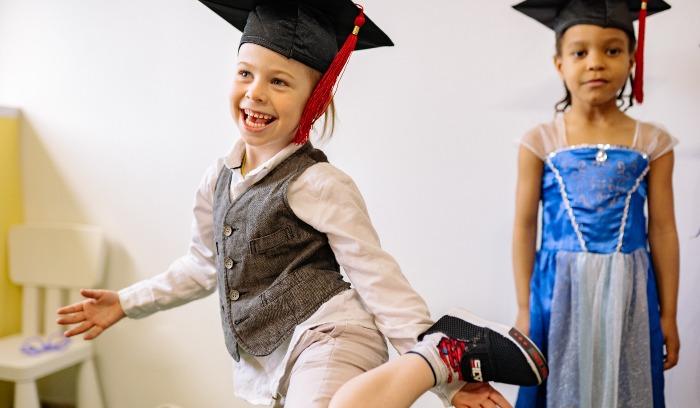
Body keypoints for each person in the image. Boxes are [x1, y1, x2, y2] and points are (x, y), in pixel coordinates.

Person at [57, 1, 546, 407]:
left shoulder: (318, 182)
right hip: (266, 359)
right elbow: (204, 266)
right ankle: (442, 353)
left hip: (331, 333)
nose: (255, 92)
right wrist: (127, 301)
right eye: (246, 73)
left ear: (315, 99)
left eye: (279, 81)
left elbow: (379, 281)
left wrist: (453, 387)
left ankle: (441, 356)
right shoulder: (217, 179)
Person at [510, 0, 680, 406]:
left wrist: (669, 313)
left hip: (631, 292)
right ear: (559, 64)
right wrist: (523, 308)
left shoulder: (653, 143)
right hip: (558, 291)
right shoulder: (540, 142)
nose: (596, 63)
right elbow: (523, 226)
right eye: (580, 52)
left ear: (632, 60)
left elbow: (663, 228)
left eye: (613, 50)